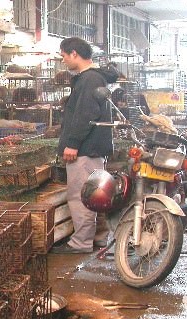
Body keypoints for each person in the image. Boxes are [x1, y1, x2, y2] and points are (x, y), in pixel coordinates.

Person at [51, 37, 119, 254]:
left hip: (85, 149)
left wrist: (72, 144)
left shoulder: (89, 79)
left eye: (63, 56)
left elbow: (85, 114)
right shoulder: (94, 78)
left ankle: (81, 243)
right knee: (96, 194)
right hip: (94, 148)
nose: (63, 61)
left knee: (81, 196)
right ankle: (99, 237)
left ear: (73, 54)